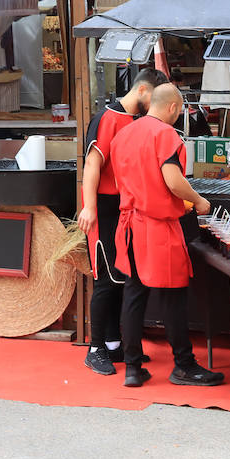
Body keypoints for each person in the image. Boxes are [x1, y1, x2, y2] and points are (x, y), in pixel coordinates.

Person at [112, 83, 223, 388]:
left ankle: (133, 367)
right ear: (173, 107)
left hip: (129, 224)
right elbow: (173, 181)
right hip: (157, 226)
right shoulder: (165, 135)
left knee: (134, 295)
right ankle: (184, 366)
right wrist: (199, 201)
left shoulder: (124, 134)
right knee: (173, 297)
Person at [76, 67, 169, 375]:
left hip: (127, 207)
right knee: (105, 279)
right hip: (103, 206)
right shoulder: (106, 118)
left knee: (121, 276)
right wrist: (88, 207)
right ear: (142, 91)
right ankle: (95, 348)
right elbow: (92, 164)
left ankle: (115, 345)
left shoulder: (137, 120)